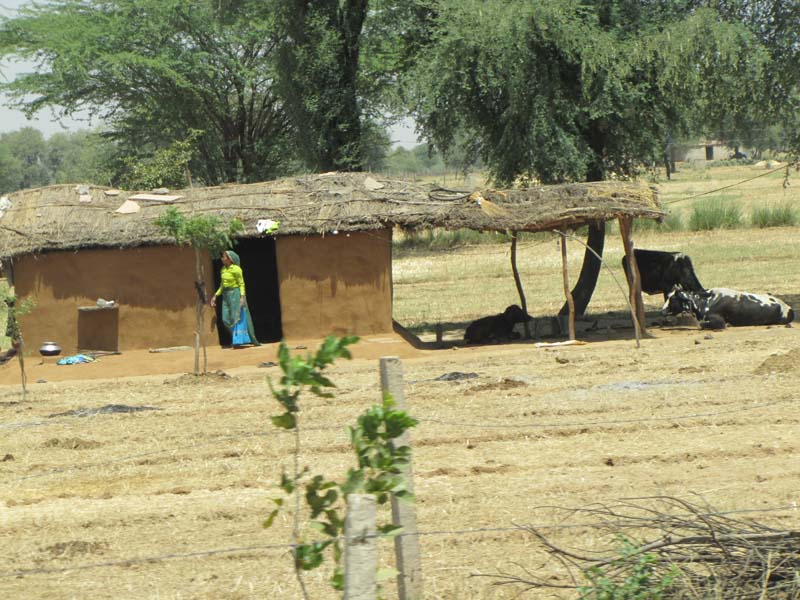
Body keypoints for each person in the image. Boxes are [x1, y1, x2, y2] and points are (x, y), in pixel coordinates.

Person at [210, 250, 260, 347]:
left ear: (230, 259)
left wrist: (242, 297)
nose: (221, 258)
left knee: (236, 317)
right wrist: (215, 296)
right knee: (225, 319)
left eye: (223, 256)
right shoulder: (223, 270)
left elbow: (241, 284)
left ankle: (238, 340)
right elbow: (222, 285)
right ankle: (236, 338)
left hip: (235, 293)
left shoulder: (236, 269)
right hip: (226, 295)